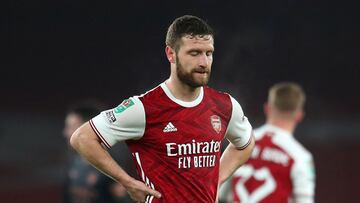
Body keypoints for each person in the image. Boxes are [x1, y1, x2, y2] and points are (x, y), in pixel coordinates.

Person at [70, 15, 255, 203]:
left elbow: (246, 144)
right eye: (194, 53)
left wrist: (217, 180)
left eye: (209, 53)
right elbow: (82, 138)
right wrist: (127, 182)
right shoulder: (143, 108)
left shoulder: (224, 105)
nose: (204, 62)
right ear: (171, 54)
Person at [219, 82, 316, 203]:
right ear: (299, 115)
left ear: (267, 108)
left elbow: (219, 191)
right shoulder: (299, 156)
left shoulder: (242, 143)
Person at [63, 103, 132, 203]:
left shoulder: (112, 164)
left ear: (87, 129)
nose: (66, 132)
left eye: (71, 127)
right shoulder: (72, 163)